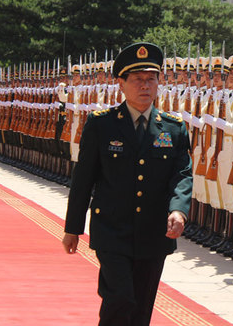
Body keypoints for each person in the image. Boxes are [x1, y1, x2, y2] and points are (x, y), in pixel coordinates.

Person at [62, 42, 193, 326]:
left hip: (154, 231)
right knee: (120, 298)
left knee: (141, 308)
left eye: (151, 79)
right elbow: (84, 179)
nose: (145, 86)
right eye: (137, 80)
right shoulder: (102, 125)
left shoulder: (173, 127)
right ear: (120, 83)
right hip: (112, 229)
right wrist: (73, 227)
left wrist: (178, 210)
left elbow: (182, 174)